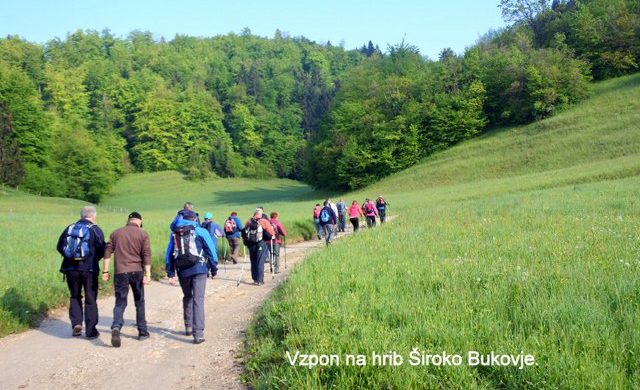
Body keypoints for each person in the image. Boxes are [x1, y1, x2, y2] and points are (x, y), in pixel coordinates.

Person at [166, 210, 218, 344]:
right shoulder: (200, 231)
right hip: (199, 268)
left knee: (188, 296)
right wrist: (214, 268)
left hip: (182, 270)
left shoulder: (175, 233)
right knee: (198, 300)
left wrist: (170, 272)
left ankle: (188, 326)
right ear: (195, 219)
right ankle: (198, 333)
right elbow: (211, 250)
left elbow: (169, 253)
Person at [102, 211, 152, 348]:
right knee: (139, 301)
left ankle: (116, 326)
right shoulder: (143, 234)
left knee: (120, 302)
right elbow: (146, 254)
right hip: (137, 271)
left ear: (128, 220)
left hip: (120, 272)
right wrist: (148, 274)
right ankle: (142, 332)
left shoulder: (115, 233)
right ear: (140, 221)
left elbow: (107, 252)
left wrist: (105, 271)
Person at [56, 205, 105, 339]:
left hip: (70, 269)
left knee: (75, 296)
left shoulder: (69, 228)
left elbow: (59, 246)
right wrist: (93, 259)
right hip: (89, 269)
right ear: (93, 216)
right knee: (90, 299)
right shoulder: (95, 230)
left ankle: (76, 324)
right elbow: (103, 249)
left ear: (81, 215)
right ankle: (90, 331)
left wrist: (70, 258)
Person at [242, 208, 275, 285]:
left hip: (251, 244)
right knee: (260, 261)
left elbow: (244, 232)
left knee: (253, 261)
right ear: (261, 214)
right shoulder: (263, 221)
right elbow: (271, 232)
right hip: (261, 243)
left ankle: (255, 279)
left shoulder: (248, 221)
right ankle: (260, 280)